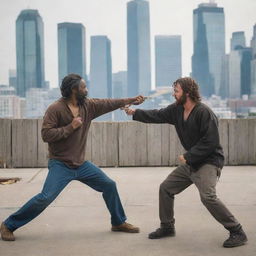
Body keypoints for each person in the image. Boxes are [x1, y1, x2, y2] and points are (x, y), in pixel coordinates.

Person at [0, 73, 145, 241]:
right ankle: (8, 225)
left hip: (81, 164)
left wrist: (131, 100)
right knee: (45, 198)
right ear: (74, 90)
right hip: (60, 164)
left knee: (109, 185)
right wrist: (71, 127)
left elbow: (108, 103)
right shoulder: (55, 109)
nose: (87, 89)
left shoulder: (88, 106)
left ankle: (118, 222)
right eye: (83, 87)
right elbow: (46, 135)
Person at [124, 77, 248, 248]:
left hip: (209, 161)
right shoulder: (176, 110)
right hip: (191, 163)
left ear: (187, 93)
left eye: (176, 91)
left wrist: (189, 156)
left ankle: (237, 231)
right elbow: (157, 115)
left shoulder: (204, 112)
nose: (174, 94)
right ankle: (167, 227)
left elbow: (210, 141)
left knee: (208, 197)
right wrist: (134, 113)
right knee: (166, 188)